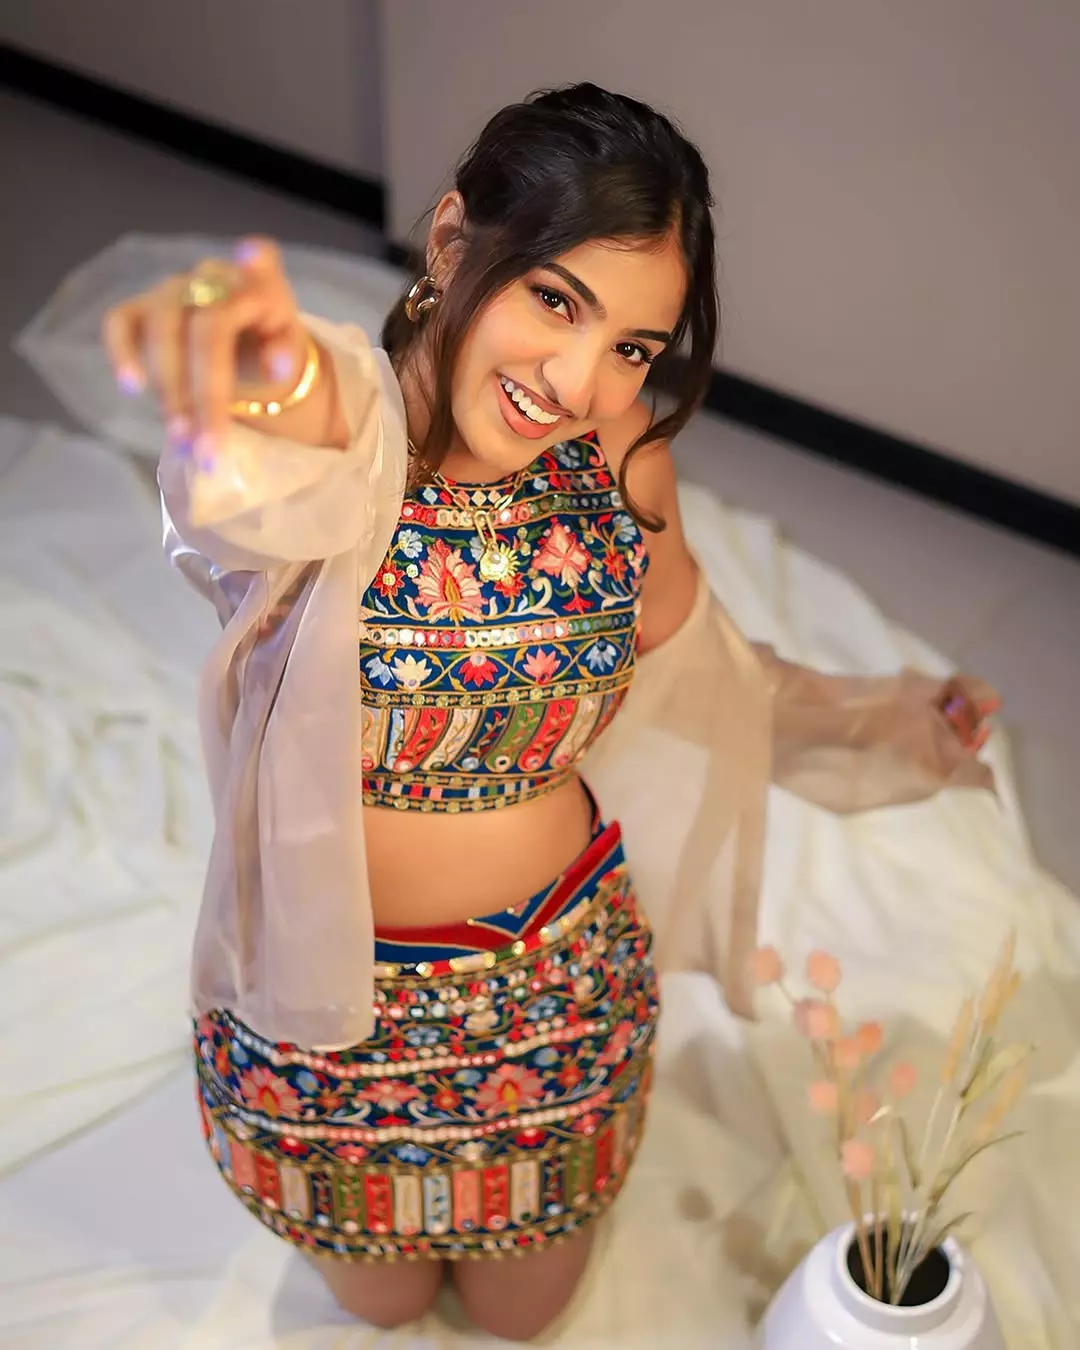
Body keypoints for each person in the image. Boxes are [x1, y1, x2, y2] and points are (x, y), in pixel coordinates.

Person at [101, 83, 997, 1340]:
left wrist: (884, 724)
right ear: (453, 243)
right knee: (383, 1303)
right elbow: (247, 445)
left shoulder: (625, 462)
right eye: (556, 301)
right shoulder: (344, 442)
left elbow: (713, 677)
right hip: (324, 1016)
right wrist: (240, 366)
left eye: (633, 346)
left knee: (524, 1319)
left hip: (554, 996)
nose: (579, 381)